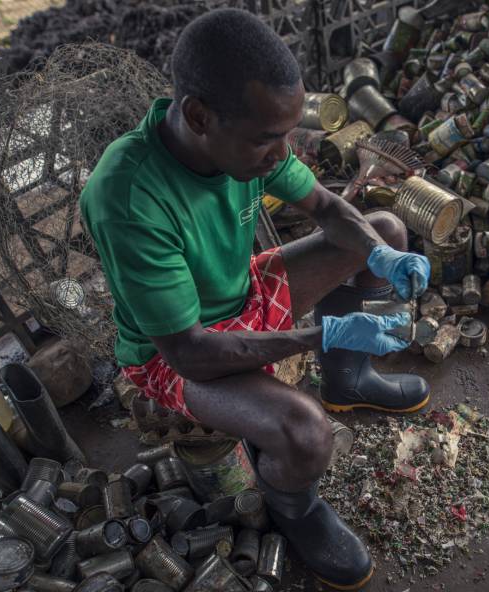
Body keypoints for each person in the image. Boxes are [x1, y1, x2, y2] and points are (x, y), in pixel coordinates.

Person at [80, 8, 431, 589]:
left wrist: (382, 258)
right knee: (306, 432)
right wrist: (324, 333)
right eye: (270, 139)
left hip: (244, 292)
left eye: (287, 133)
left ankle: (348, 380)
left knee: (386, 231)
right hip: (173, 355)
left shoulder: (246, 139)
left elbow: (327, 208)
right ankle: (296, 508)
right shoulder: (128, 195)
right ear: (198, 116)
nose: (283, 152)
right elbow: (189, 352)